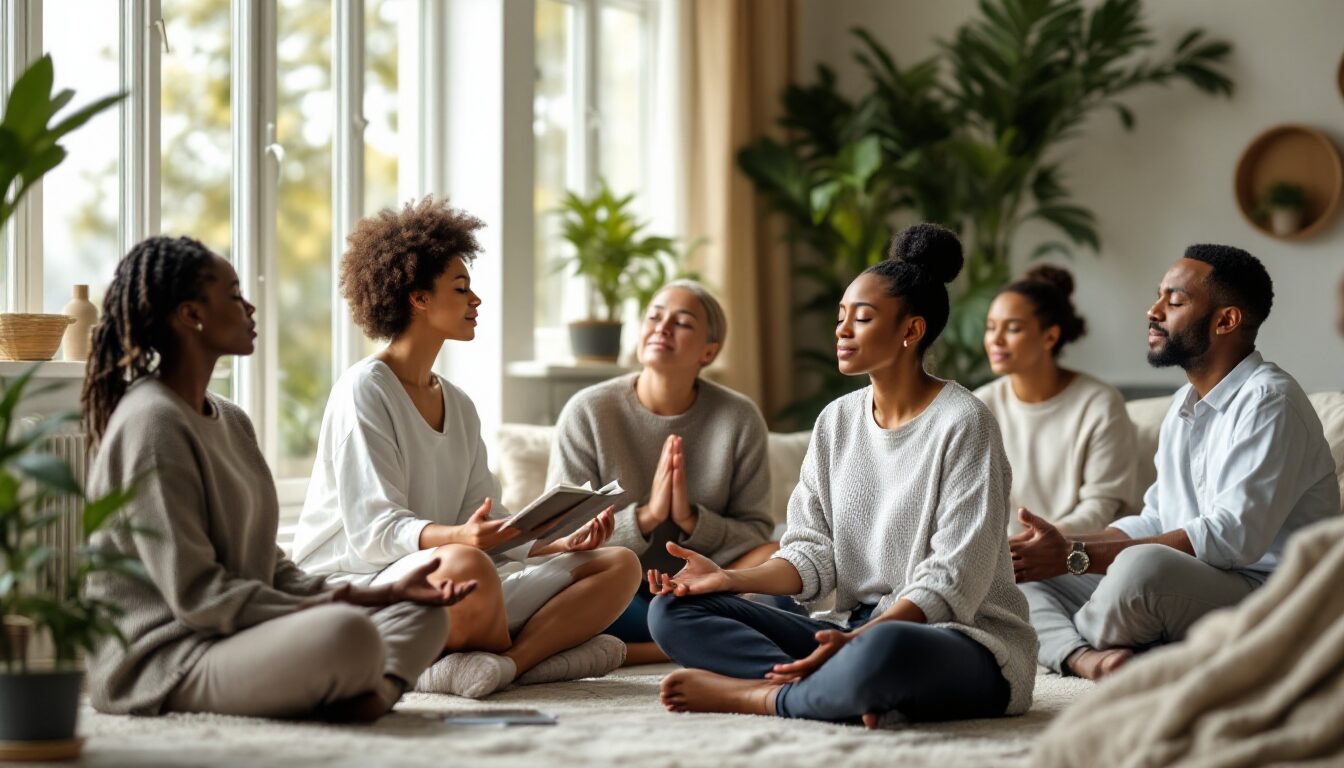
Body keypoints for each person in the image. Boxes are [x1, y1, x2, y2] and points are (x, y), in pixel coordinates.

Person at [644, 224, 1037, 726]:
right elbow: (810, 553)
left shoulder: (965, 422)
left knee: (887, 649)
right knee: (673, 612)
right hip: (852, 629)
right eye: (841, 317)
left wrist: (859, 642)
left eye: (863, 318)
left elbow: (950, 583)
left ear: (911, 331)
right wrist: (728, 579)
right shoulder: (836, 420)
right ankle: (842, 689)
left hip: (960, 639)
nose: (842, 330)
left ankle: (758, 696)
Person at [83, 236, 473, 720]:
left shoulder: (231, 420)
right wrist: (337, 608)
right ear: (191, 315)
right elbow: (200, 600)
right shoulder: (152, 422)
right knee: (346, 636)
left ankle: (364, 696)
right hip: (170, 656)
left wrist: (382, 594)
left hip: (236, 635)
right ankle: (347, 686)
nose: (249, 308)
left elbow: (270, 565)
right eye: (233, 295)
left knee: (424, 612)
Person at [292, 198, 641, 699]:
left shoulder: (459, 404)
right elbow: (373, 533)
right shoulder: (364, 388)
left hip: (453, 580)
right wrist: (463, 537)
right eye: (460, 288)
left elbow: (489, 524)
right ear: (417, 298)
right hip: (362, 588)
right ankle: (518, 655)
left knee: (617, 563)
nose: (475, 300)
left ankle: (506, 666)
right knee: (467, 565)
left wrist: (560, 543)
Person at [1013, 244, 1339, 681]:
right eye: (1158, 296)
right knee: (1016, 573)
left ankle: (1061, 643)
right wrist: (1056, 548)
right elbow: (1155, 519)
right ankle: (1086, 657)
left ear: (1226, 320)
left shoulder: (1270, 401)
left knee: (1140, 570)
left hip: (1271, 594)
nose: (1153, 311)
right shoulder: (1183, 405)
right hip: (1196, 582)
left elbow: (1231, 539)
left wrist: (1076, 555)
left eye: (1175, 301)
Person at [548, 279, 777, 665]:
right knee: (568, 585)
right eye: (654, 316)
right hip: (620, 594)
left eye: (683, 322)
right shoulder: (588, 411)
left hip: (709, 589)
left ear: (709, 350)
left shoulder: (739, 417)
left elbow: (756, 531)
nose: (662, 327)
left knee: (780, 556)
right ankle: (677, 642)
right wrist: (648, 517)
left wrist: (691, 520)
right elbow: (563, 533)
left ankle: (646, 649)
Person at [976, 265, 1136, 534]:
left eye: (1013, 329)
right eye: (991, 328)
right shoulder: (980, 406)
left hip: (1077, 556)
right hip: (1002, 560)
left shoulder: (1099, 404)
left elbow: (1101, 507)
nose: (996, 340)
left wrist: (1042, 543)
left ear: (1050, 336)